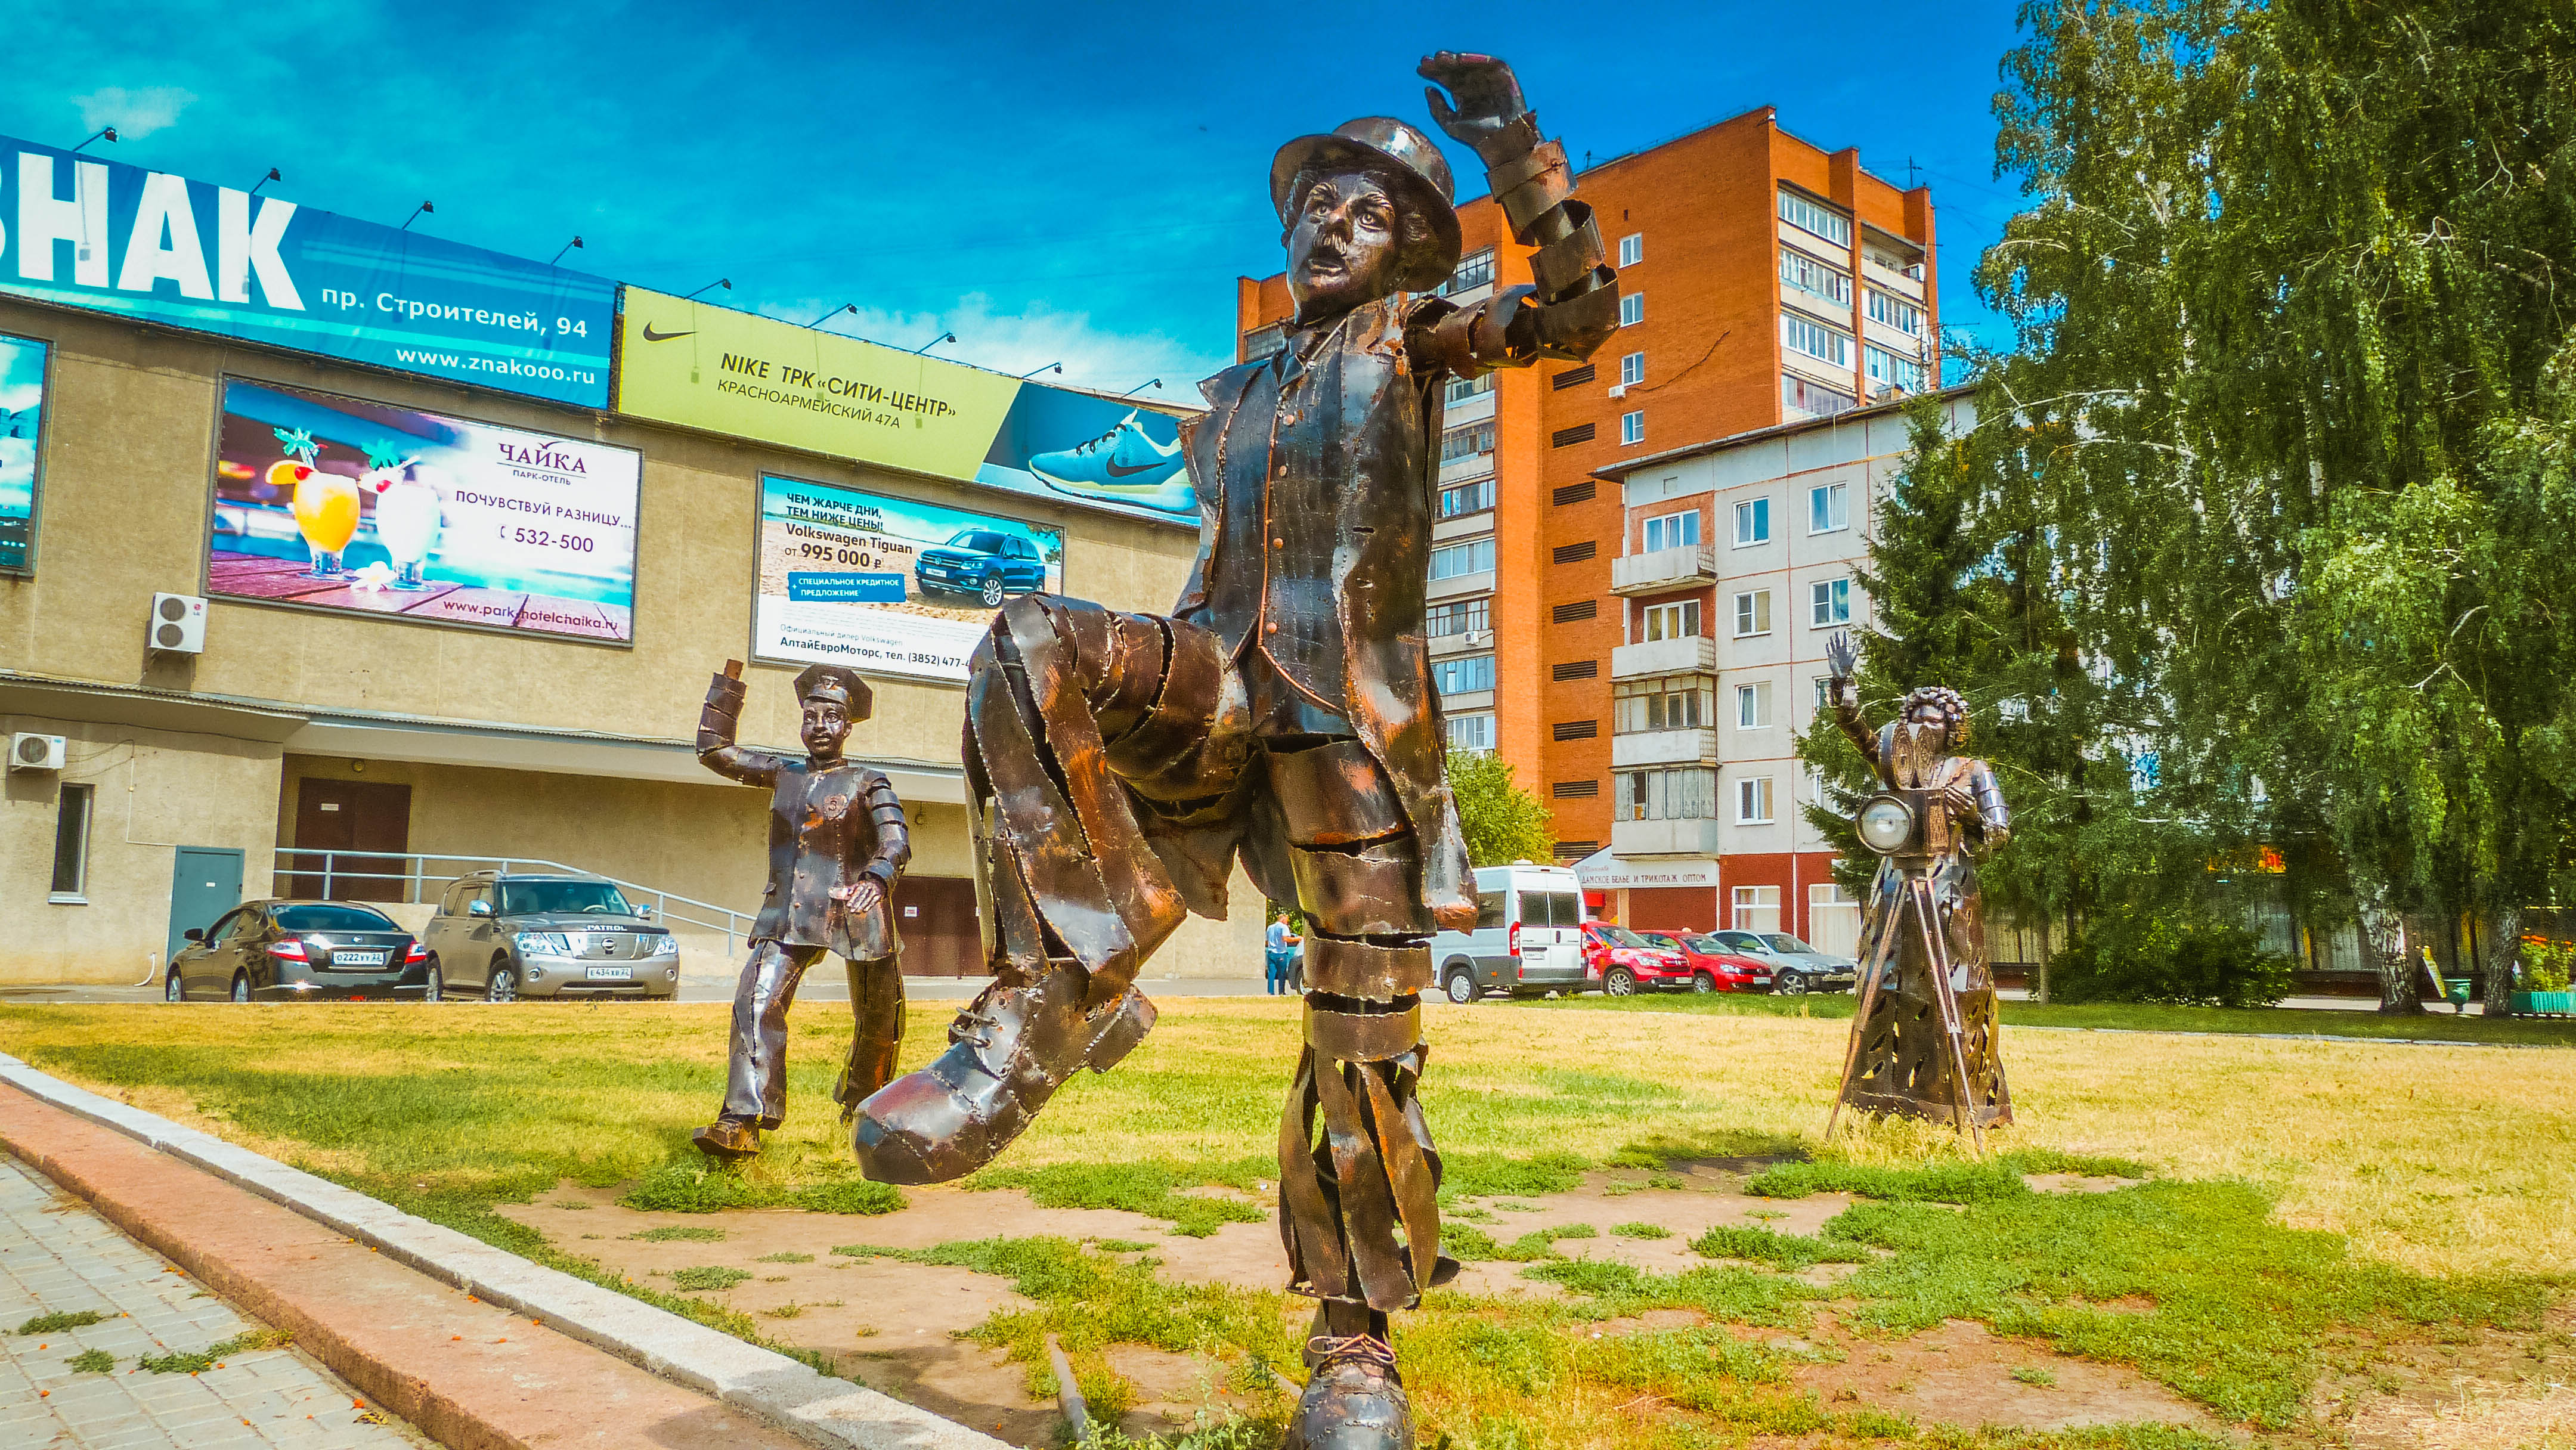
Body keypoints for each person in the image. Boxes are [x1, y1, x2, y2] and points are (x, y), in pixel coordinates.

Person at [848, 51, 1617, 1450]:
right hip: (1215, 680)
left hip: (1352, 718)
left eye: (1366, 212)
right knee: (1026, 642)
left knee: (1362, 1042)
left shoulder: (1414, 339)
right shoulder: (1238, 386)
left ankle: (1355, 1340)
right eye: (1315, 204)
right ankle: (1055, 990)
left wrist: (1517, 153)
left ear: (1412, 251)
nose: (1329, 224)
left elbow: (1575, 317)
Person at [688, 660, 910, 1162]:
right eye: (811, 717)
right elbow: (714, 750)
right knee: (755, 1000)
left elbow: (896, 839)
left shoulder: (868, 780)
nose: (820, 727)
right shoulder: (782, 774)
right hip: (791, 913)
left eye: (831, 718)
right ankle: (742, 1122)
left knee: (880, 1022)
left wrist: (876, 878)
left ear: (847, 726)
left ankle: (863, 1111)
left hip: (859, 912)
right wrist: (728, 686)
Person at [1822, 630, 2013, 1127]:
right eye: (1916, 719)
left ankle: (1953, 1097)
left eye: (1935, 720)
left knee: (1952, 987)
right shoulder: (1899, 769)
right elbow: (1860, 733)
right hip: (1895, 889)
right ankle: (1883, 1094)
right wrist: (1843, 688)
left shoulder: (1972, 770)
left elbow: (1999, 832)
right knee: (1886, 982)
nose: (1924, 727)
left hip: (1950, 891)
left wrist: (1970, 815)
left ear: (1952, 729)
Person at [1265, 913, 1303, 995]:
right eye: (1287, 921)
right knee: (1282, 974)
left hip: (1271, 952)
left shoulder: (1270, 928)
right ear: (1283, 920)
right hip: (1280, 953)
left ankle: (1270, 992)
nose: (1287, 922)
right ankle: (1281, 992)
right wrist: (1297, 939)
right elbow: (1285, 939)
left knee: (1271, 974)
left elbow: (1267, 941)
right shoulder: (1283, 927)